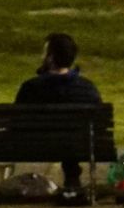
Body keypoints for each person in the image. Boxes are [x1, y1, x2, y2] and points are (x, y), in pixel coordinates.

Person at [13, 32, 102, 198]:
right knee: (70, 137)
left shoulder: (31, 88)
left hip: (35, 145)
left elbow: (16, 121)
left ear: (50, 58)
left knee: (62, 137)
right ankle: (72, 176)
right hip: (80, 145)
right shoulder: (87, 88)